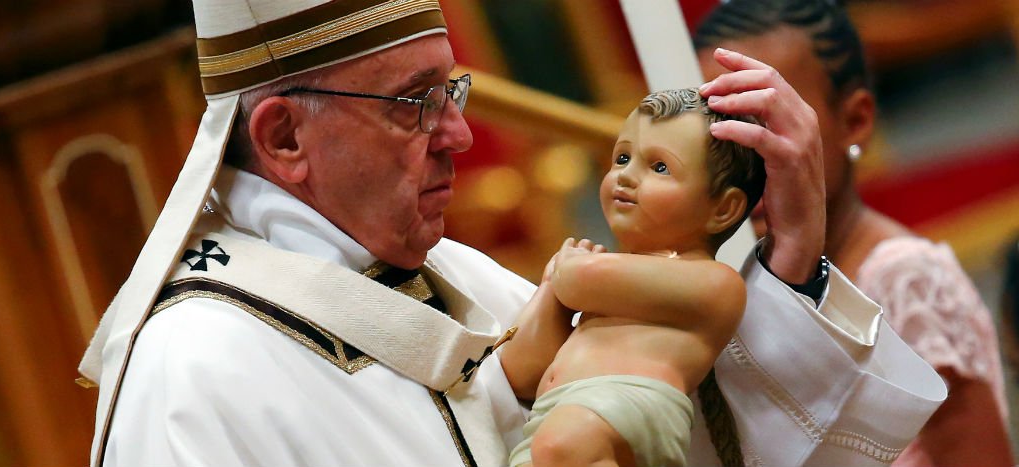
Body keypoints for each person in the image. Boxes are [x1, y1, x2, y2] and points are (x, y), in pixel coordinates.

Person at [76, 1, 943, 466]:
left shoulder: (468, 277)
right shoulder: (195, 376)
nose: (459, 134)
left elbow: (683, 437)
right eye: (415, 103)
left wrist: (787, 269)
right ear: (284, 139)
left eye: (451, 93)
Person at [695, 1, 1013, 465]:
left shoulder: (905, 280)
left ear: (855, 120)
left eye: (769, 123)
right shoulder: (737, 278)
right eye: (723, 128)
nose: (746, 157)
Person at [500, 88, 766, 467]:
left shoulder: (715, 284)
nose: (625, 176)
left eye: (659, 167)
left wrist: (568, 272)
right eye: (622, 158)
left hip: (627, 406)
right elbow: (521, 373)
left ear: (722, 209)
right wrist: (549, 292)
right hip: (551, 421)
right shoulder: (605, 285)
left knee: (565, 442)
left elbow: (578, 279)